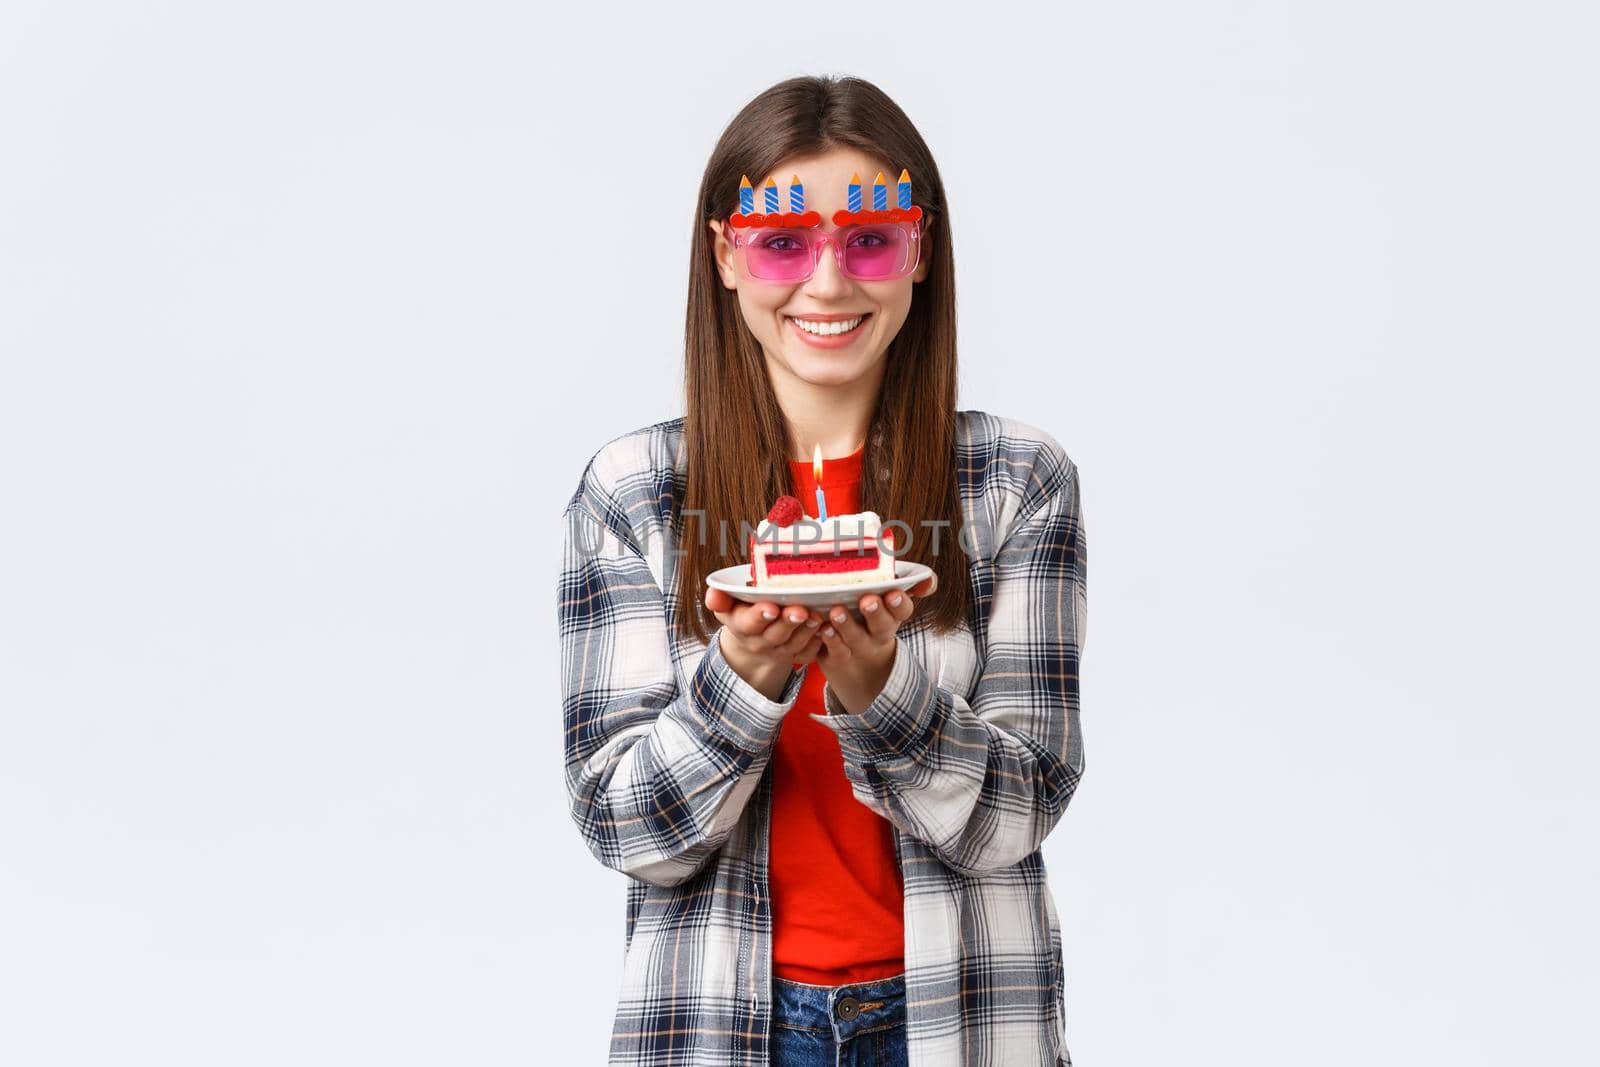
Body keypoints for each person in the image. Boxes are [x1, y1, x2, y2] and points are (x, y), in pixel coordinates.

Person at [558, 74, 1088, 1067]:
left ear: (918, 250)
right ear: (726, 254)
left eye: (870, 237)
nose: (830, 282)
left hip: (961, 1021)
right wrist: (745, 675)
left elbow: (1018, 811)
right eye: (783, 241)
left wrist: (880, 686)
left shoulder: (1016, 483)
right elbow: (625, 826)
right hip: (723, 1025)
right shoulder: (635, 490)